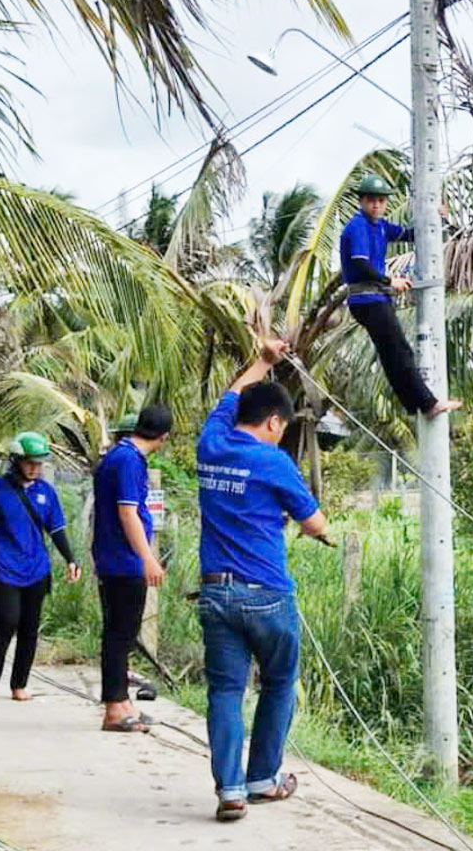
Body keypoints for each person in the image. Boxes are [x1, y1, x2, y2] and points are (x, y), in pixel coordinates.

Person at [196, 339, 332, 822]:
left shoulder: (210, 441)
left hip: (214, 591)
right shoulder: (274, 462)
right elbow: (314, 521)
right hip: (266, 594)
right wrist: (323, 534)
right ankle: (263, 780)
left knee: (226, 692)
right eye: (283, 427)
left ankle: (231, 791)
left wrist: (264, 361)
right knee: (278, 683)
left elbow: (231, 394)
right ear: (275, 422)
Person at [339, 173, 462, 418]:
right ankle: (428, 404)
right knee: (399, 351)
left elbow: (411, 234)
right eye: (371, 200)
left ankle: (417, 405)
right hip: (367, 299)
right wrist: (390, 280)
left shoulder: (380, 226)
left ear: (386, 204)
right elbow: (360, 264)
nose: (376, 205)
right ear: (362, 202)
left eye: (381, 201)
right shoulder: (358, 227)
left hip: (377, 299)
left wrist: (436, 218)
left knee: (393, 353)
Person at [0, 432, 81, 706]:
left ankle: (19, 684)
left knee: (30, 628)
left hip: (37, 569)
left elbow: (56, 530)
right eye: (29, 462)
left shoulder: (47, 492)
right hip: (5, 568)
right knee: (6, 623)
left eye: (39, 463)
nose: (35, 467)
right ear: (16, 460)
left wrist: (71, 559)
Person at [91, 406, 173, 733]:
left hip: (117, 559)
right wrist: (148, 559)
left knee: (122, 633)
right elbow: (128, 514)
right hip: (123, 561)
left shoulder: (120, 456)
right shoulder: (127, 461)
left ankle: (122, 700)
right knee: (119, 634)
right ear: (164, 437)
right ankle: (114, 707)